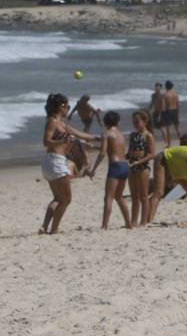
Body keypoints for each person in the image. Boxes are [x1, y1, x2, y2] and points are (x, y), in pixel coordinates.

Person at [39, 93, 95, 234]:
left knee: (58, 198)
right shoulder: (52, 122)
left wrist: (99, 137)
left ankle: (44, 227)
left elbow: (80, 134)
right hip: (55, 162)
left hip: (53, 162)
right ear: (60, 107)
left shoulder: (62, 124)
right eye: (67, 106)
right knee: (66, 199)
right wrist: (62, 141)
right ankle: (54, 229)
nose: (69, 109)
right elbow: (46, 142)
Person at [87, 112, 132, 230]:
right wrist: (95, 147)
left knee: (108, 197)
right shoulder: (120, 134)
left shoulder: (106, 134)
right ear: (117, 121)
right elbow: (114, 149)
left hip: (115, 166)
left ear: (105, 122)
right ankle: (128, 223)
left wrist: (94, 169)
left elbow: (103, 152)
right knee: (119, 197)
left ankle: (104, 225)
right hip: (124, 165)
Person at [124, 111, 156, 228]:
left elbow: (151, 154)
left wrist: (139, 161)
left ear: (145, 121)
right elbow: (129, 152)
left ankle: (143, 221)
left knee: (143, 195)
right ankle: (133, 221)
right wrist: (123, 158)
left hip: (143, 167)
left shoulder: (148, 136)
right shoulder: (132, 135)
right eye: (133, 122)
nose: (135, 124)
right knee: (134, 196)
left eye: (137, 122)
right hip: (132, 166)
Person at [160, 81, 181, 146]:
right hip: (175, 111)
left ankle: (169, 144)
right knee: (177, 128)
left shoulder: (165, 94)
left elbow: (163, 106)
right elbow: (178, 104)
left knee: (168, 129)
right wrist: (177, 113)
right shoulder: (175, 94)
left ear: (166, 86)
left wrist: (161, 114)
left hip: (168, 111)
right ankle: (182, 141)